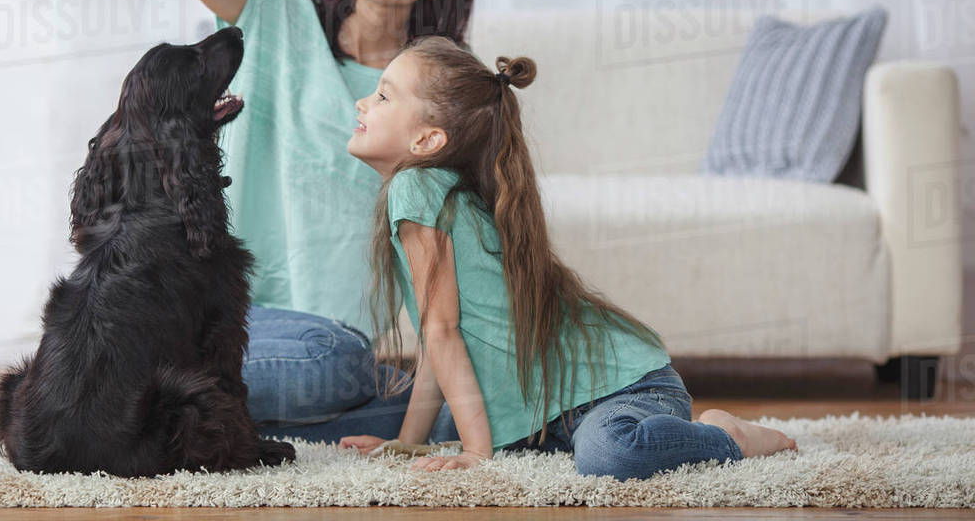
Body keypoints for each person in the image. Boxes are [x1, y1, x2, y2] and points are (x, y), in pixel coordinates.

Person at [144, 0, 485, 439]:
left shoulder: (435, 100)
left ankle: (171, 415)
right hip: (215, 318)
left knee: (354, 374)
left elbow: (445, 268)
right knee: (346, 380)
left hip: (324, 348)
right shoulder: (270, 14)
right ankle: (188, 406)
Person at [327, 36, 799, 478]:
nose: (362, 103)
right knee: (459, 425)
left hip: (626, 388)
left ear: (427, 141)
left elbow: (442, 332)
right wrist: (411, 442)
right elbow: (441, 344)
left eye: (384, 96)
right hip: (548, 410)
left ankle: (725, 434)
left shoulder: (416, 188)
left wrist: (477, 454)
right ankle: (524, 438)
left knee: (610, 454)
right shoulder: (433, 193)